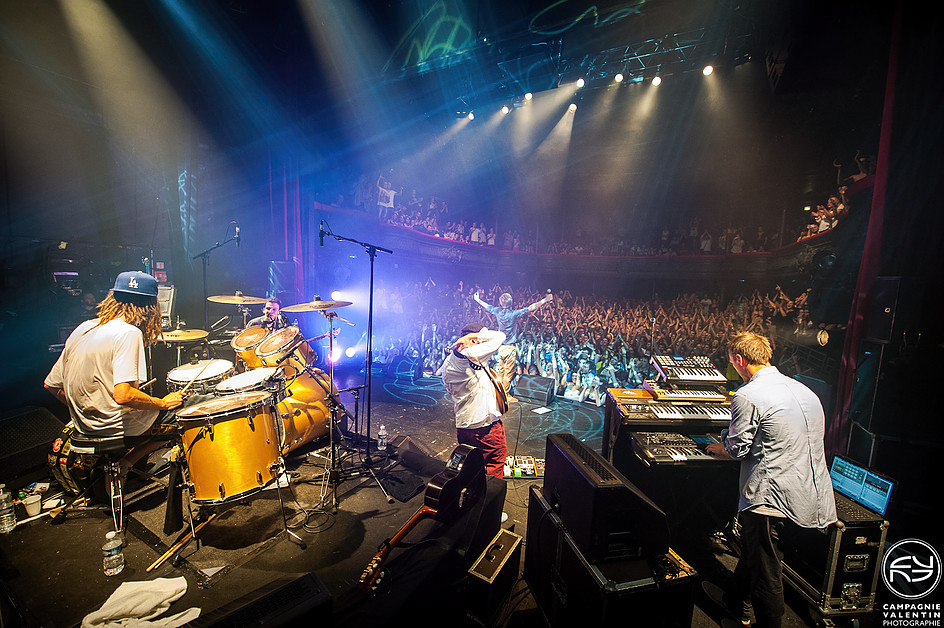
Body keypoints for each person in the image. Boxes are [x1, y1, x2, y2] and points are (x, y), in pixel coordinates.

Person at [704, 332, 836, 628]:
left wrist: (719, 443)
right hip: (811, 498)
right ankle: (735, 602)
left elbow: (737, 449)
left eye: (731, 362)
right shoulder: (805, 390)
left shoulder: (748, 395)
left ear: (739, 359)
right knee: (755, 554)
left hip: (770, 499)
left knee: (767, 575)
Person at [44, 271, 184, 467]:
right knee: (185, 417)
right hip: (115, 428)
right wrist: (161, 403)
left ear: (112, 299)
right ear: (150, 307)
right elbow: (124, 396)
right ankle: (127, 463)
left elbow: (50, 385)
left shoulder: (83, 328)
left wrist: (85, 408)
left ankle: (123, 466)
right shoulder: (128, 333)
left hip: (83, 428)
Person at [439, 323, 507, 479]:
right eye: (480, 338)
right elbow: (500, 336)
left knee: (470, 467)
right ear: (475, 341)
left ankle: (470, 496)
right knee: (493, 468)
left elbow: (450, 389)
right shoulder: (474, 353)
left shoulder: (447, 363)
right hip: (485, 428)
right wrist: (470, 337)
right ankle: (488, 499)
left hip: (463, 427)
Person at [473, 289, 552, 401]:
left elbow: (487, 306)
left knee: (501, 371)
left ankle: (497, 392)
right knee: (508, 373)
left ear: (501, 303)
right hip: (510, 348)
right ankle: (504, 395)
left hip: (500, 347)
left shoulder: (497, 311)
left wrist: (478, 300)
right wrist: (544, 300)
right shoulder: (513, 314)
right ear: (511, 303)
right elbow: (531, 307)